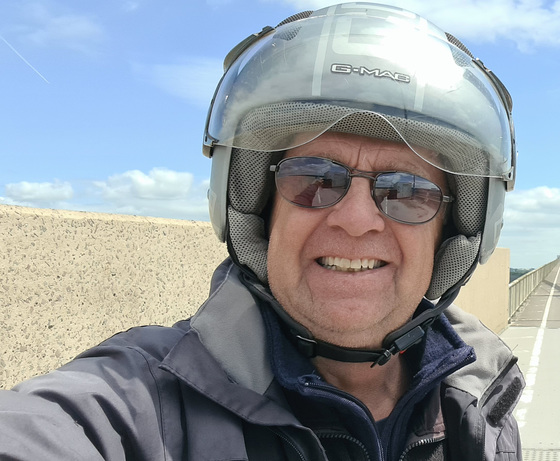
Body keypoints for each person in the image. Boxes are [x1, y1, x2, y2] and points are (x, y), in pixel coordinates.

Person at [0, 3, 522, 460]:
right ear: (259, 211)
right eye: (316, 179)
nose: (357, 219)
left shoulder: (481, 407)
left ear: (452, 233)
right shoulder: (139, 403)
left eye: (408, 192)